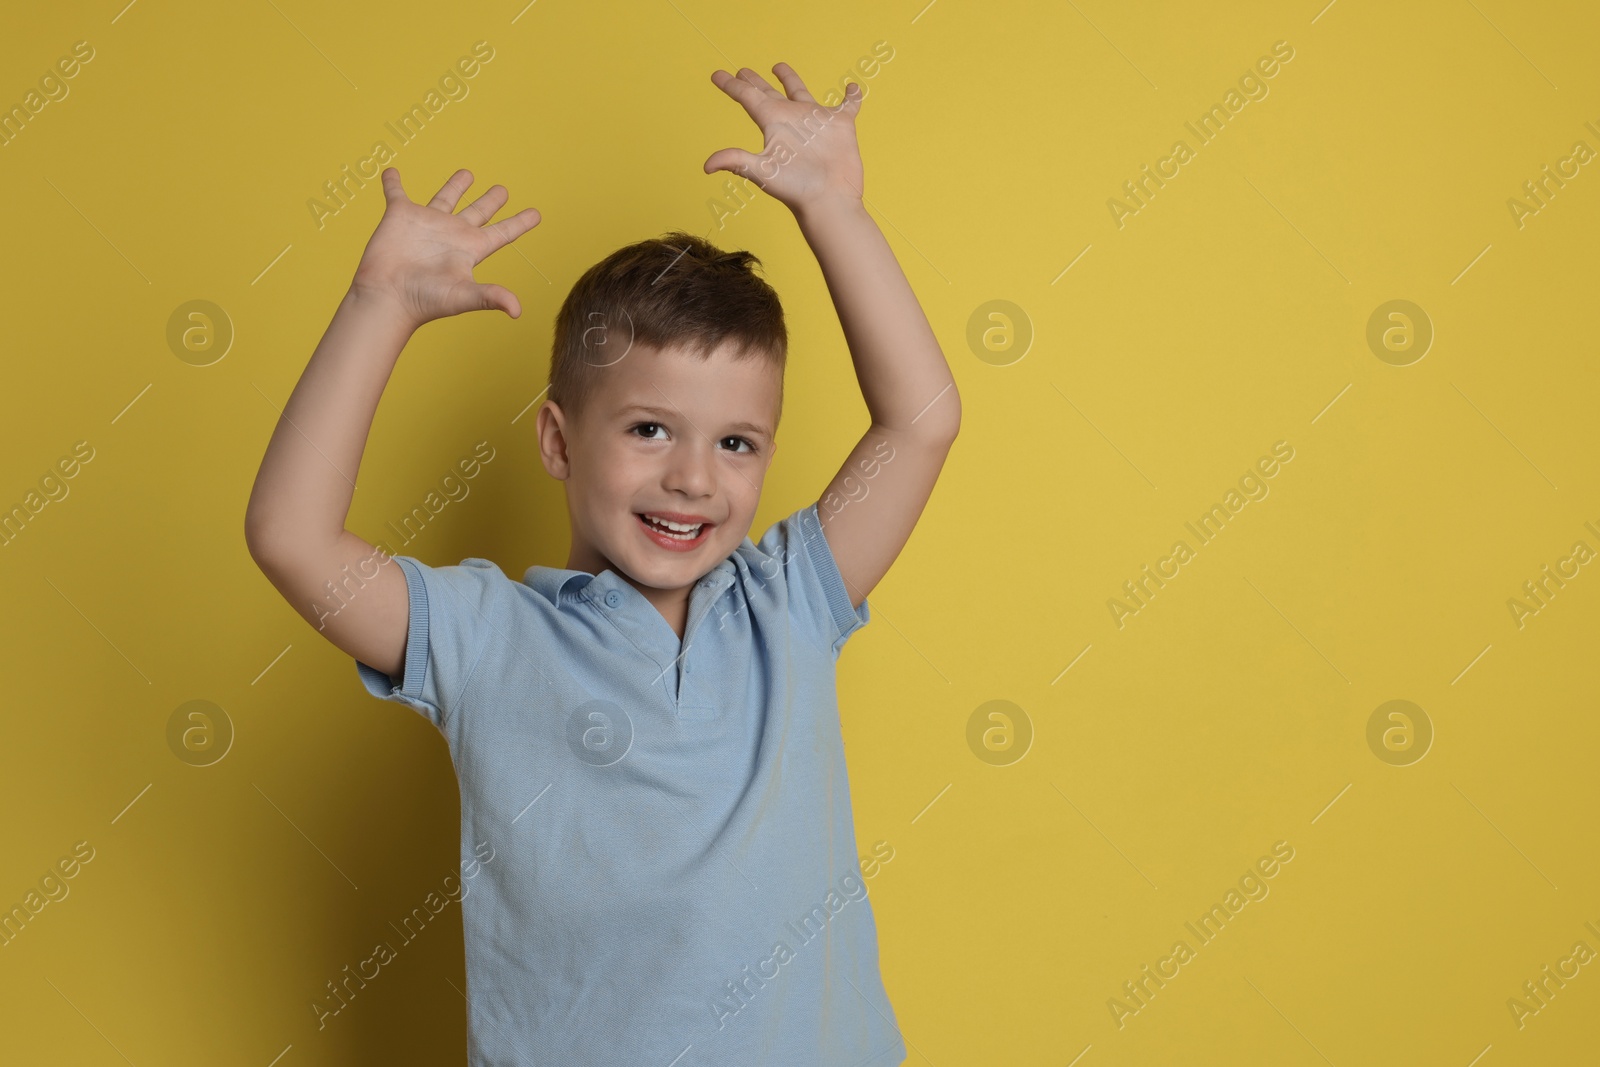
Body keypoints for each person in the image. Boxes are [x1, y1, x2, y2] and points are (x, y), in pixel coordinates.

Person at [244, 60, 959, 1065]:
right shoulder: (483, 635)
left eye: (736, 443)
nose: (694, 479)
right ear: (557, 441)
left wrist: (836, 212)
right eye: (651, 428)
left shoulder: (788, 599)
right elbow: (291, 534)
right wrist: (379, 304)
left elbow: (921, 421)